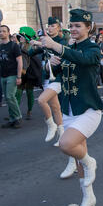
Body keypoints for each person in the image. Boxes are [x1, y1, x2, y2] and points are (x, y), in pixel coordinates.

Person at [39, 9, 103, 206]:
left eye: (78, 26)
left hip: (88, 109)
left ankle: (90, 161)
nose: (74, 29)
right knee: (77, 159)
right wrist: (51, 64)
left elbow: (83, 60)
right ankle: (88, 198)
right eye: (72, 25)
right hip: (68, 109)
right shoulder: (67, 48)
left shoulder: (93, 49)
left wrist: (56, 46)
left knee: (67, 144)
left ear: (88, 27)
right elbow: (53, 74)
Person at [29, 18, 66, 148]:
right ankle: (62, 135)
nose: (50, 28)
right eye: (48, 26)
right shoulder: (44, 41)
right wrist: (36, 44)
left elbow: (61, 51)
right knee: (56, 108)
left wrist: (42, 44)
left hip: (57, 77)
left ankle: (51, 124)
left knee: (41, 100)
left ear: (58, 27)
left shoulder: (61, 41)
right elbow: (30, 52)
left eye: (53, 26)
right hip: (46, 77)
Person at [16, 27, 42, 120]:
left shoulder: (32, 46)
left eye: (22, 36)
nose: (20, 38)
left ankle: (29, 111)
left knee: (29, 92)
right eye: (20, 36)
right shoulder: (18, 46)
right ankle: (17, 114)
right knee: (17, 93)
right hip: (21, 73)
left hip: (29, 73)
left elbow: (34, 60)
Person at [0, 25, 23, 129]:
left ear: (8, 33)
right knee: (8, 99)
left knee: (10, 96)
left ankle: (17, 117)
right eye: (0, 31)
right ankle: (12, 119)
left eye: (4, 31)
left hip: (12, 75)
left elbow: (20, 61)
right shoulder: (0, 46)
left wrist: (19, 77)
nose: (1, 33)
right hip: (2, 75)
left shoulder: (14, 45)